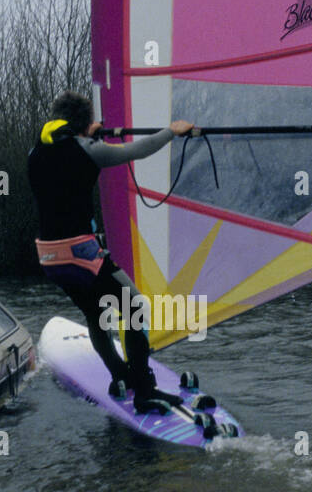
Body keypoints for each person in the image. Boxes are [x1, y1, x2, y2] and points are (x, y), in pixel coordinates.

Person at [28, 90, 192, 414]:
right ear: (83, 124)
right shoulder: (87, 150)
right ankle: (144, 390)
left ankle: (120, 376)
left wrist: (86, 135)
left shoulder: (35, 152)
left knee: (96, 314)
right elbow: (137, 150)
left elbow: (66, 152)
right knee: (134, 308)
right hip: (82, 255)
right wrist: (171, 131)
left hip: (50, 258)